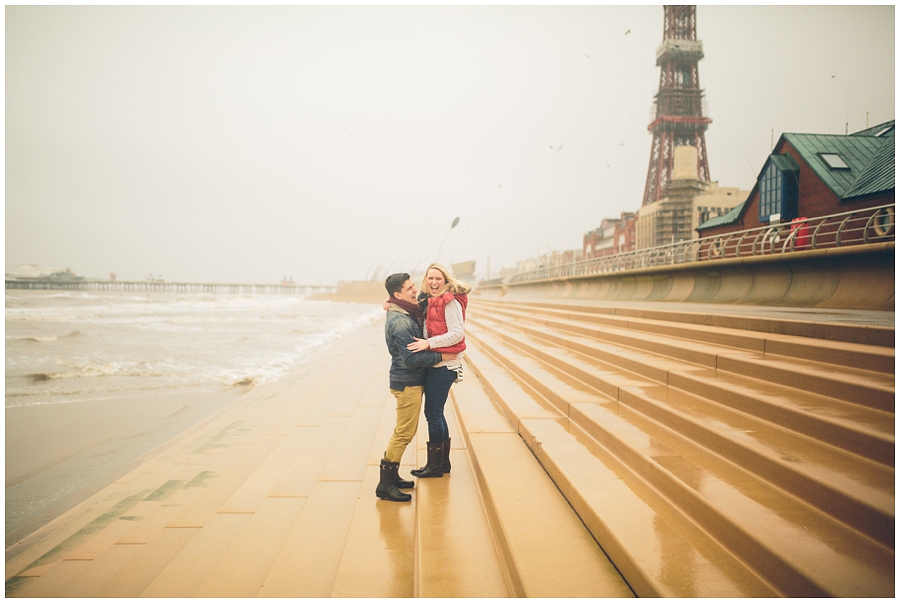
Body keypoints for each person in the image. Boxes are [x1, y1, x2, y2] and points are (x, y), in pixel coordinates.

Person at [378, 272, 458, 502]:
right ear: (397, 294)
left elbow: (427, 296)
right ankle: (385, 484)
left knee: (404, 431)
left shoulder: (404, 309)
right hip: (407, 382)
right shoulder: (401, 320)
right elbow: (411, 359)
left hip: (409, 381)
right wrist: (442, 354)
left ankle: (392, 478)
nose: (416, 290)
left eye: (414, 285)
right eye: (410, 287)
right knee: (404, 432)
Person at [407, 262, 471, 479]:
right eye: (430, 278)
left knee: (433, 414)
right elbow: (408, 306)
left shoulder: (449, 302)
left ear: (445, 281)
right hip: (438, 362)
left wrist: (428, 344)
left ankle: (435, 466)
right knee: (437, 413)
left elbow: (457, 334)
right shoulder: (429, 300)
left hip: (445, 365)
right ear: (426, 280)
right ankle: (442, 463)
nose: (434, 282)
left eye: (438, 279)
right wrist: (389, 303)